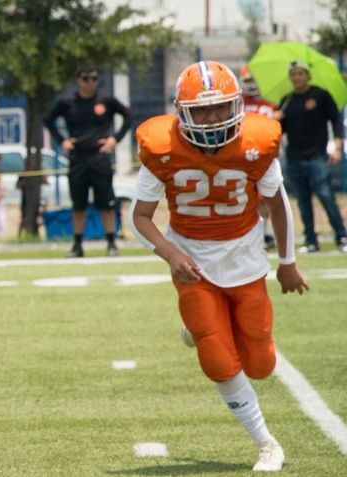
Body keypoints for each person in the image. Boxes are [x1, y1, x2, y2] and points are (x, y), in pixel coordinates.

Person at [130, 61, 309, 472]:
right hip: (192, 260)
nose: (211, 119)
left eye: (220, 108)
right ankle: (266, 442)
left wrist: (288, 262)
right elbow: (139, 216)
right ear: (182, 112)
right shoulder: (162, 146)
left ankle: (202, 329)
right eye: (202, 110)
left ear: (237, 105)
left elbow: (279, 206)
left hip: (245, 258)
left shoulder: (256, 142)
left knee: (261, 364)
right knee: (216, 357)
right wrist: (171, 255)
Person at [43, 65, 132, 257]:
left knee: (105, 203)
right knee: (78, 205)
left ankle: (111, 242)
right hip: (78, 158)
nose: (90, 82)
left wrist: (114, 139)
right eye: (86, 78)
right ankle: (77, 245)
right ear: (78, 80)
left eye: (94, 78)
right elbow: (48, 119)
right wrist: (62, 141)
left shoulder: (106, 99)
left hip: (100, 158)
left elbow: (127, 115)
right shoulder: (68, 102)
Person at [278, 60, 347, 253]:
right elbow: (279, 129)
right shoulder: (287, 100)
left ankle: (342, 237)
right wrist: (276, 119)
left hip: (317, 157)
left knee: (326, 196)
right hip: (294, 158)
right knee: (302, 201)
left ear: (308, 75)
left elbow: (336, 119)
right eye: (293, 74)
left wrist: (336, 146)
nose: (297, 77)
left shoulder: (320, 95)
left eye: (300, 73)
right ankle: (311, 241)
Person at [240, 64, 279, 249]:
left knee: (266, 198)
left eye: (254, 80)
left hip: (264, 159)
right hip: (241, 159)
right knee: (247, 198)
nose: (252, 84)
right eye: (248, 80)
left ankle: (266, 233)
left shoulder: (269, 105)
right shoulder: (237, 103)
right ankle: (253, 233)